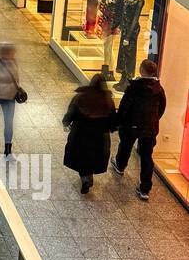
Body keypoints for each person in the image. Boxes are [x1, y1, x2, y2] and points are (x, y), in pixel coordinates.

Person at [112, 58, 166, 201]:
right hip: (150, 127)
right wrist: (154, 120)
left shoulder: (134, 88)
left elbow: (124, 107)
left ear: (141, 71)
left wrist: (118, 121)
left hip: (132, 125)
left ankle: (120, 165)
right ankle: (144, 188)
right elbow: (162, 108)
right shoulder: (159, 89)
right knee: (147, 156)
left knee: (126, 146)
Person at [63, 74, 116, 194]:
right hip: (99, 137)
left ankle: (85, 179)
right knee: (93, 158)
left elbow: (71, 112)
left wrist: (66, 122)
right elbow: (113, 120)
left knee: (82, 157)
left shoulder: (80, 98)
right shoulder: (108, 100)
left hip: (80, 133)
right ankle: (89, 176)